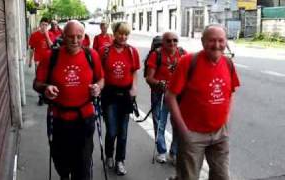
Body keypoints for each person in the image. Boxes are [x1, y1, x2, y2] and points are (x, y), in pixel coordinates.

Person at [165, 24, 240, 180]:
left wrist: (225, 121)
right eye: (212, 40)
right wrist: (183, 131)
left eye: (221, 40)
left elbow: (231, 93)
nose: (217, 45)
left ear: (226, 42)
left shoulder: (228, 63)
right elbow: (170, 96)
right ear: (203, 42)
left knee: (222, 176)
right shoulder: (188, 62)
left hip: (220, 133)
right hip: (193, 134)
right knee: (189, 177)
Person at [33, 20, 104, 180]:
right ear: (63, 36)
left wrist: (98, 88)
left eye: (79, 36)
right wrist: (46, 88)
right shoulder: (51, 56)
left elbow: (101, 79)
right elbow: (36, 83)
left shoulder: (91, 55)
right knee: (61, 162)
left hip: (85, 118)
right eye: (71, 36)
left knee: (83, 164)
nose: (75, 40)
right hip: (58, 118)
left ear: (84, 36)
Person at [99, 21, 140, 176]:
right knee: (112, 130)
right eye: (120, 33)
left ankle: (120, 161)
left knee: (123, 132)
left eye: (126, 34)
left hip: (125, 95)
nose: (123, 37)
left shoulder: (132, 51)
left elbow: (134, 72)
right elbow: (99, 73)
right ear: (114, 33)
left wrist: (134, 88)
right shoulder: (105, 51)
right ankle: (109, 154)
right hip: (109, 94)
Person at [145, 32, 187, 164]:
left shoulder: (182, 53)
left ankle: (174, 153)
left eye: (175, 40)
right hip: (160, 93)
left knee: (177, 124)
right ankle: (162, 151)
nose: (172, 43)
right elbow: (149, 78)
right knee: (160, 123)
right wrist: (159, 83)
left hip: (177, 94)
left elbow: (188, 71)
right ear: (163, 42)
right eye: (169, 41)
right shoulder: (156, 55)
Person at [28, 17, 55, 105]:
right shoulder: (34, 35)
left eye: (46, 25)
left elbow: (52, 47)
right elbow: (32, 49)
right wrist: (30, 60)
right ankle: (40, 97)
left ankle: (47, 95)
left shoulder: (50, 34)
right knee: (39, 80)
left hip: (48, 60)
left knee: (49, 78)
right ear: (40, 24)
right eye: (43, 24)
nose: (44, 26)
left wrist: (46, 35)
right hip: (38, 60)